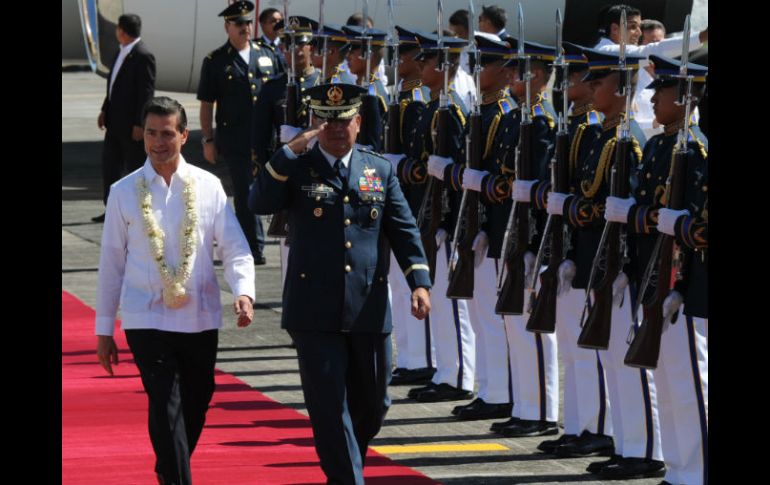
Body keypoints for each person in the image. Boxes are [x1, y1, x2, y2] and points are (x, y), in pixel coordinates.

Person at [248, 82, 432, 485]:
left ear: (358, 122)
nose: (335, 128)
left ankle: (345, 464)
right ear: (314, 123)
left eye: (343, 120)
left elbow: (403, 230)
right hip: (313, 310)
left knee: (374, 403)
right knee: (330, 408)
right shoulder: (297, 167)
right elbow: (258, 202)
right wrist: (287, 152)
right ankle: (348, 477)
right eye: (326, 120)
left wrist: (419, 281)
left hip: (367, 307)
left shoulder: (378, 169)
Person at [95, 96, 256, 485]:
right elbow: (111, 263)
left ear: (185, 136)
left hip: (198, 317)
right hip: (144, 316)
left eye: (167, 133)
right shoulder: (123, 191)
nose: (158, 142)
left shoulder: (209, 187)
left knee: (195, 406)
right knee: (165, 404)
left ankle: (169, 467)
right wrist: (104, 330)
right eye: (151, 133)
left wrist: (244, 291)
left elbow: (235, 248)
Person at [545, 47, 665, 479]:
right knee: (608, 358)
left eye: (598, 83)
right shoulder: (600, 137)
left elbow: (631, 210)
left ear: (619, 88)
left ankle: (645, 450)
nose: (592, 90)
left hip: (619, 267)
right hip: (594, 260)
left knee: (626, 360)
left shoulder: (629, 140)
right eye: (591, 83)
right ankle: (625, 441)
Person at [604, 54, 708, 485]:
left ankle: (698, 472)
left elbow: (698, 224)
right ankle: (680, 470)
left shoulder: (696, 147)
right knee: (668, 381)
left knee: (691, 386)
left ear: (685, 98)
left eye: (661, 93)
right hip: (656, 274)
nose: (654, 101)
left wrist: (678, 224)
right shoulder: (662, 143)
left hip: (689, 281)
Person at [400, 32, 478, 404]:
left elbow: (457, 173)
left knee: (451, 300)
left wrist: (446, 222)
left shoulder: (452, 111)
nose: (421, 67)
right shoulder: (433, 107)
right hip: (426, 214)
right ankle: (446, 370)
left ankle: (458, 375)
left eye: (428, 62)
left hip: (443, 219)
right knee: (439, 298)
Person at [197, 0, 280, 265]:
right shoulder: (216, 61)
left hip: (268, 139)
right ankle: (253, 249)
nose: (245, 28)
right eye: (239, 23)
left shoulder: (266, 53)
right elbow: (207, 105)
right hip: (237, 141)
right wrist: (208, 139)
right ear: (227, 27)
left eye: (247, 22)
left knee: (273, 190)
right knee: (245, 195)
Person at [382, 26, 435, 386]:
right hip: (398, 200)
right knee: (400, 287)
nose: (397, 62)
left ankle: (423, 360)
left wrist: (395, 165)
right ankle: (411, 358)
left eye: (404, 56)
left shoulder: (418, 101)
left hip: (415, 204)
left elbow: (422, 165)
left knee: (415, 288)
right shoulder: (401, 96)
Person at [92, 13, 156, 223]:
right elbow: (114, 87)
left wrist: (141, 123)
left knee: (136, 169)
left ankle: (141, 210)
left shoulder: (142, 55)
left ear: (122, 30)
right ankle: (111, 210)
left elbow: (146, 93)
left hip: (131, 126)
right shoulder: (121, 52)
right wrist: (104, 109)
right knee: (110, 167)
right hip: (114, 123)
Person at [256, 7, 287, 72]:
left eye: (280, 21)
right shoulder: (255, 47)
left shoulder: (288, 44)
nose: (278, 24)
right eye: (273, 21)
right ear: (262, 24)